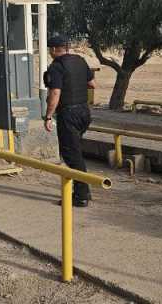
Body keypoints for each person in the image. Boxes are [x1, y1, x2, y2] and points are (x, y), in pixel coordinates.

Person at [43, 36, 96, 207]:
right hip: (84, 112)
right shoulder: (80, 61)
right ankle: (84, 189)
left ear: (53, 50)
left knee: (71, 155)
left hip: (69, 114)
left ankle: (81, 195)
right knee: (76, 151)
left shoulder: (56, 67)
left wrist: (48, 116)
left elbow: (55, 94)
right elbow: (93, 84)